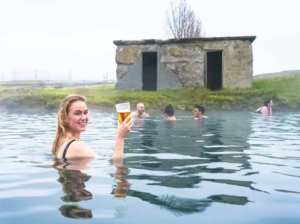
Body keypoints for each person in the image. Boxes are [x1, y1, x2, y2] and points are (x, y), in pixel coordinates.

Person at [51, 95, 133, 159]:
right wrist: (120, 137)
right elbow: (117, 168)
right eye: (77, 113)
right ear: (64, 118)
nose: (83, 117)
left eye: (85, 112)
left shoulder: (62, 141)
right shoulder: (76, 146)